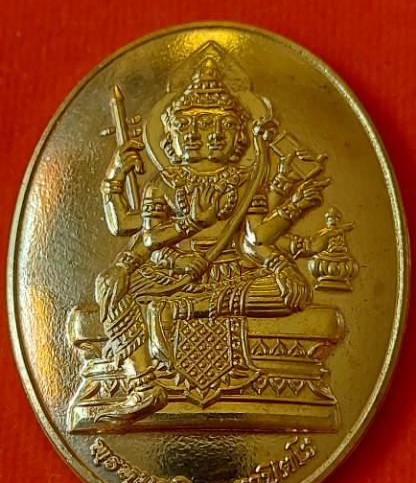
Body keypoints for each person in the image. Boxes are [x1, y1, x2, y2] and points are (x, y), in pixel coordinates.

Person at [95, 57, 328, 420]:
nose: (209, 135)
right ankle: (143, 385)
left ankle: (183, 309)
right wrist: (182, 247)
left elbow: (254, 239)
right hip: (173, 275)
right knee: (110, 288)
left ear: (238, 136)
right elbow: (150, 241)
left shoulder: (246, 180)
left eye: (223, 125)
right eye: (195, 125)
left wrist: (285, 253)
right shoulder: (163, 183)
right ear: (172, 136)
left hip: (232, 275)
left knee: (293, 293)